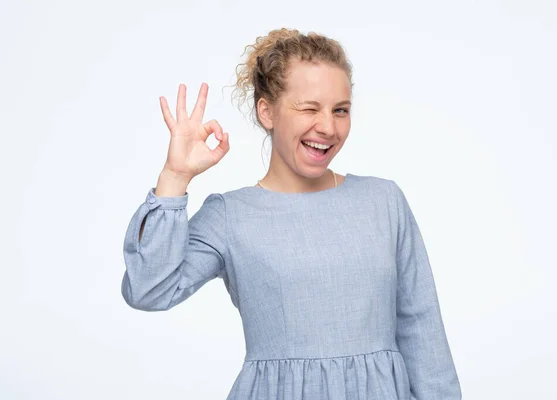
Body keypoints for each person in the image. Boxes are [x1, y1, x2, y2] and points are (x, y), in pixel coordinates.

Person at [121, 28, 462, 400]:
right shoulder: (230, 215)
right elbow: (148, 290)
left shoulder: (383, 201)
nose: (328, 127)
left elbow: (422, 329)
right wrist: (175, 176)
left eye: (340, 110)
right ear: (267, 111)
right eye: (309, 108)